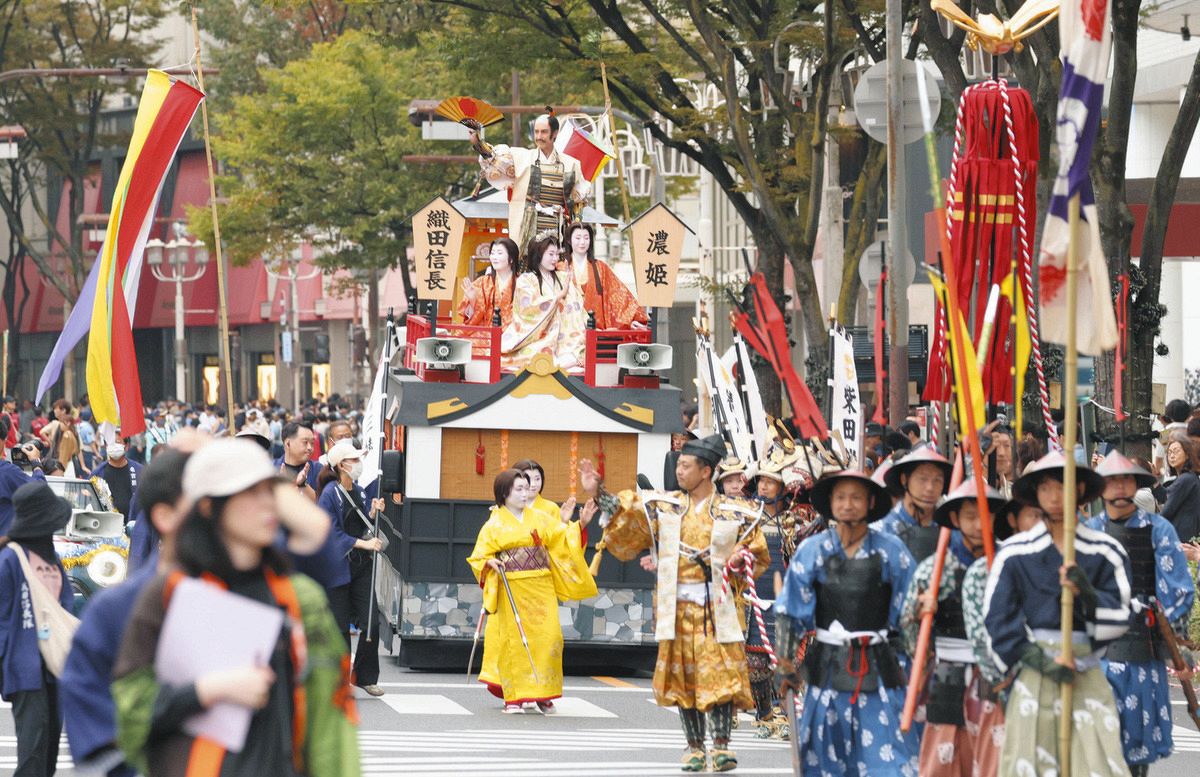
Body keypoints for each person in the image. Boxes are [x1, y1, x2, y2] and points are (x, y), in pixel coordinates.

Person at [112, 438, 361, 777]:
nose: (267, 506)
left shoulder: (301, 598)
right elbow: (128, 714)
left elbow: (331, 725)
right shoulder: (169, 595)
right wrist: (207, 691)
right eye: (249, 494)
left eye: (269, 492)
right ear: (207, 507)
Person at [585, 434, 768, 772]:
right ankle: (695, 746)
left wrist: (742, 558)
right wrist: (600, 493)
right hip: (679, 608)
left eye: (686, 465)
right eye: (679, 465)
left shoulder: (735, 512)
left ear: (706, 470)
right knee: (686, 678)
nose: (680, 471)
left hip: (718, 609)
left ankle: (723, 746)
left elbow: (757, 555)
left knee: (721, 677)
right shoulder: (665, 506)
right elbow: (630, 516)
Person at [982, 450, 1133, 776]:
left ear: (1079, 491)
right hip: (1035, 669)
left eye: (1062, 487)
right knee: (1030, 763)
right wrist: (1040, 660)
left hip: (1086, 670)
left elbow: (1121, 614)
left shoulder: (1105, 551)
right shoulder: (1014, 553)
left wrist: (1087, 595)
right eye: (1046, 488)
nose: (1054, 496)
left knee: (1099, 763)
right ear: (1035, 494)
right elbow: (996, 620)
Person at [773, 469, 919, 776]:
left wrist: (914, 660)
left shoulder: (892, 550)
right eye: (840, 497)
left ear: (869, 503)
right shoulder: (811, 551)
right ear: (830, 503)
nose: (848, 504)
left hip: (880, 667)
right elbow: (791, 611)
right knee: (824, 760)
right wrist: (785, 664)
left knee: (890, 762)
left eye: (855, 497)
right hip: (826, 667)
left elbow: (908, 614)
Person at [1083, 451, 1193, 777]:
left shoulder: (1159, 530)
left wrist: (1154, 614)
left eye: (1125, 479)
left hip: (1141, 650)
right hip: (1095, 654)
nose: (1118, 487)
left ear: (1135, 484)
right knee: (1096, 749)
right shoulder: (1087, 532)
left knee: (1135, 751)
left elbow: (1179, 589)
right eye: (1110, 480)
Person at [467, 468, 596, 713]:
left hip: (541, 586)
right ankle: (514, 697)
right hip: (512, 589)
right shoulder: (493, 525)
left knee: (550, 639)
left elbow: (561, 540)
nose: (525, 493)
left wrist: (580, 524)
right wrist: (488, 563)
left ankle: (543, 694)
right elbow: (478, 556)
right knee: (514, 643)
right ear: (505, 493)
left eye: (527, 488)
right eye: (519, 489)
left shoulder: (539, 518)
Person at [900, 479, 1006, 776]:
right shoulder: (935, 568)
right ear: (956, 519)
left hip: (993, 674)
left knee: (992, 760)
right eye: (970, 516)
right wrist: (920, 612)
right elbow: (911, 640)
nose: (977, 524)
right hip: (947, 673)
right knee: (942, 760)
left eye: (984, 515)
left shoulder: (1006, 563)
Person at [0, 481, 75, 777]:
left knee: (50, 752)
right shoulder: (9, 561)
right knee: (31, 752)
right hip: (24, 668)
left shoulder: (53, 560)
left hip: (54, 667)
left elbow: (64, 609)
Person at [316, 440, 387, 697]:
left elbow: (363, 520)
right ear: (342, 465)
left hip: (360, 567)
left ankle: (365, 677)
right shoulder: (329, 494)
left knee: (371, 621)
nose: (359, 464)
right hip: (337, 568)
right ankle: (339, 680)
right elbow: (328, 532)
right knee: (339, 627)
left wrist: (372, 510)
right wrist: (364, 544)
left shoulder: (359, 490)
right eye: (355, 460)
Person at [466, 108, 590, 248]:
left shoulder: (571, 164)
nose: (539, 136)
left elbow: (578, 201)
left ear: (555, 133)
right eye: (536, 132)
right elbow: (494, 159)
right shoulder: (520, 157)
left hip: (558, 229)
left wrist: (577, 226)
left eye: (543, 132)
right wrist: (478, 143)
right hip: (527, 229)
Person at [501, 232, 587, 373]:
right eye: (551, 254)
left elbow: (576, 306)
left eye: (557, 254)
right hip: (537, 336)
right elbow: (528, 309)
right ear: (539, 254)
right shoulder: (526, 280)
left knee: (577, 349)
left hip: (563, 334)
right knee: (534, 353)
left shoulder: (563, 277)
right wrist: (558, 297)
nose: (556, 258)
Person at [562, 221, 648, 330]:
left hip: (596, 328)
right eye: (578, 238)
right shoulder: (561, 267)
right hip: (569, 329)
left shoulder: (600, 267)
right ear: (569, 240)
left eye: (586, 238)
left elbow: (617, 294)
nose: (582, 242)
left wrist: (632, 319)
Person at [879, 444, 954, 562]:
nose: (930, 487)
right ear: (904, 479)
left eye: (937, 480)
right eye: (922, 479)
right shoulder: (883, 528)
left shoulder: (951, 527)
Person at [458, 238, 519, 327]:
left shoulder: (523, 283)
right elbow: (472, 319)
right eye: (492, 253)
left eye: (499, 253)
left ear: (511, 258)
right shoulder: (482, 283)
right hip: (487, 332)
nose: (494, 257)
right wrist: (472, 300)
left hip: (513, 333)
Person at [90, 437, 143, 521]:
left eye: (117, 442)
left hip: (133, 523)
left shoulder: (138, 470)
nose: (114, 446)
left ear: (126, 446)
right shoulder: (97, 473)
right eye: (111, 443)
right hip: (107, 523)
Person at [1161, 436, 1200, 542]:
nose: (1172, 456)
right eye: (1169, 453)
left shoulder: (1185, 478)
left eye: (1176, 451)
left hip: (1182, 538)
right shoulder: (1188, 478)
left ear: (1187, 455)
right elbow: (1166, 495)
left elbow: (1167, 511)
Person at [513, 458, 572, 522]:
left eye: (537, 479)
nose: (533, 484)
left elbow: (563, 531)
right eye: (528, 479)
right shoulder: (509, 507)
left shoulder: (551, 508)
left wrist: (564, 522)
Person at [276, 421, 321, 499]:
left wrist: (303, 485)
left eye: (312, 443)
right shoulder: (271, 469)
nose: (310, 447)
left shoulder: (318, 469)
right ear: (288, 444)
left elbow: (322, 504)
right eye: (305, 442)